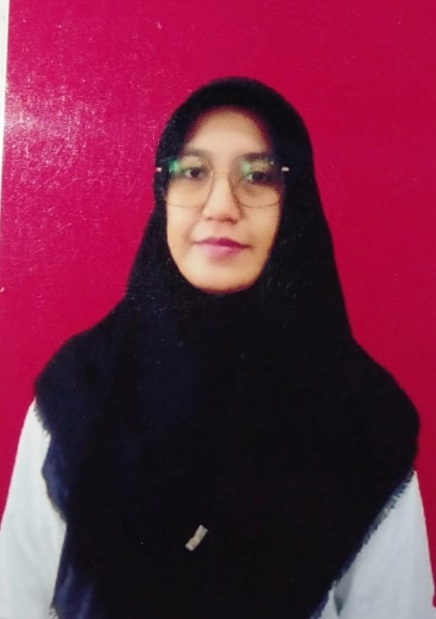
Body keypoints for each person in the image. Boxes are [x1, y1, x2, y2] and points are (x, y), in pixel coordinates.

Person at [0, 77, 434, 619]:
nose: (221, 205)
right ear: (163, 193)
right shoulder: (82, 392)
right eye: (193, 172)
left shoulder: (359, 418)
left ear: (294, 203)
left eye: (259, 176)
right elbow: (17, 601)